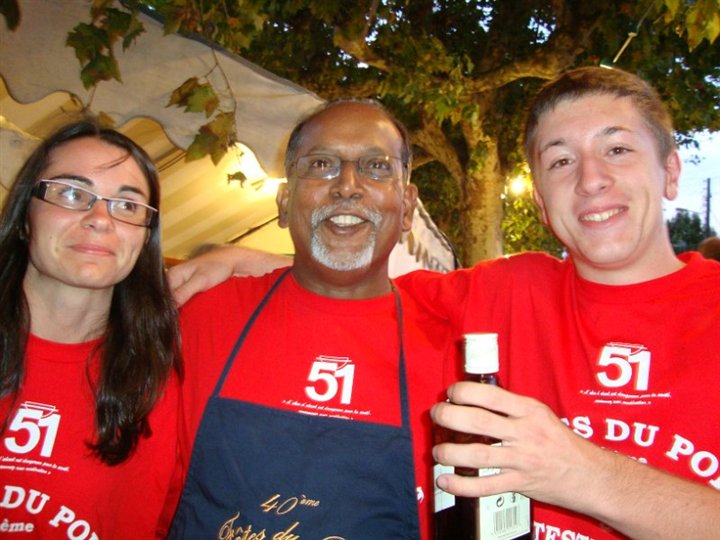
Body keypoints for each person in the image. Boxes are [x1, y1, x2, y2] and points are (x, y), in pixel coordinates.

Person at [169, 67, 720, 538]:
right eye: (560, 161)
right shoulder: (509, 290)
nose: (591, 180)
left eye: (617, 149)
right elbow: (354, 277)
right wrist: (249, 259)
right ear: (540, 201)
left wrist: (586, 474)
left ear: (671, 172)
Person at [169, 100, 456, 539]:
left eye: (376, 167)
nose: (347, 186)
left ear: (407, 207)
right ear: (284, 202)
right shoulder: (199, 316)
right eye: (321, 164)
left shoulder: (452, 353)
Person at [0, 120, 182, 538]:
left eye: (128, 206)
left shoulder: (167, 380)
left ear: (146, 238)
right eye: (71, 193)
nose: (100, 219)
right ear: (25, 215)